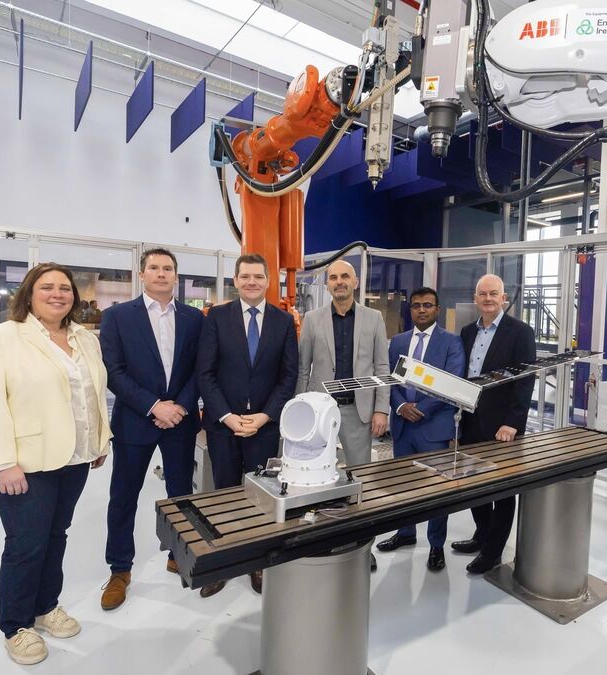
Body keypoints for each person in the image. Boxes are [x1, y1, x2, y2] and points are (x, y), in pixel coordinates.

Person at [0, 262, 111, 666]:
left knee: (56, 534)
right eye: (47, 287)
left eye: (65, 288)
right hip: (23, 463)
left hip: (74, 457)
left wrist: (98, 439)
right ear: (28, 295)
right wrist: (2, 462)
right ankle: (16, 626)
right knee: (26, 543)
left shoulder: (84, 338)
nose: (57, 294)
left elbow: (91, 394)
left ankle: (46, 607)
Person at [98, 248, 203, 611]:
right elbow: (113, 371)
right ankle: (119, 569)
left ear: (176, 276)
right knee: (123, 496)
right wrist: (154, 406)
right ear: (141, 274)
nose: (161, 273)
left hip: (181, 421)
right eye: (154, 268)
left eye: (167, 268)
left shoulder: (194, 318)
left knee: (181, 494)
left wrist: (181, 406)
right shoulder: (117, 317)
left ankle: (178, 554)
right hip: (135, 420)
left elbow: (200, 368)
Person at [196, 252, 298, 596]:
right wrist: (227, 416)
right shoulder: (216, 317)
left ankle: (257, 562)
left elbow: (288, 376)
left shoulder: (283, 322)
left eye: (258, 276)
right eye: (245, 276)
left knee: (261, 497)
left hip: (264, 427)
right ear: (236, 281)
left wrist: (265, 415)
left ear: (268, 281)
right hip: (224, 425)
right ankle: (223, 564)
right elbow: (205, 373)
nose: (252, 282)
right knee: (224, 494)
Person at [450, 274, 537, 575]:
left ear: (503, 298)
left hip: (502, 427)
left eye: (494, 294)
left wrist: (513, 422)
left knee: (501, 490)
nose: (488, 299)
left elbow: (525, 380)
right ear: (475, 298)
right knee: (475, 484)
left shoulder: (520, 332)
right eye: (483, 294)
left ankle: (493, 551)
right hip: (471, 419)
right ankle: (481, 535)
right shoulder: (466, 332)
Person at [376, 287, 465, 572]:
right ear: (410, 310)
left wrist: (422, 409)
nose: (422, 310)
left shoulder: (451, 342)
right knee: (403, 484)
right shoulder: (398, 342)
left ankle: (436, 545)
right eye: (416, 305)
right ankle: (405, 533)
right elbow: (388, 379)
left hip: (433, 427)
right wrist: (401, 406)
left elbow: (452, 383)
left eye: (427, 305)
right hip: (403, 426)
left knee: (437, 489)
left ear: (437, 309)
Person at [296, 259, 390, 468]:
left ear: (356, 282)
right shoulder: (312, 319)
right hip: (320, 409)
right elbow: (303, 369)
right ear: (327, 285)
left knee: (359, 471)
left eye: (345, 276)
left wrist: (381, 409)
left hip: (358, 410)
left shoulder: (374, 318)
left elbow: (382, 368)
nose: (339, 282)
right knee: (315, 469)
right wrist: (300, 407)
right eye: (333, 277)